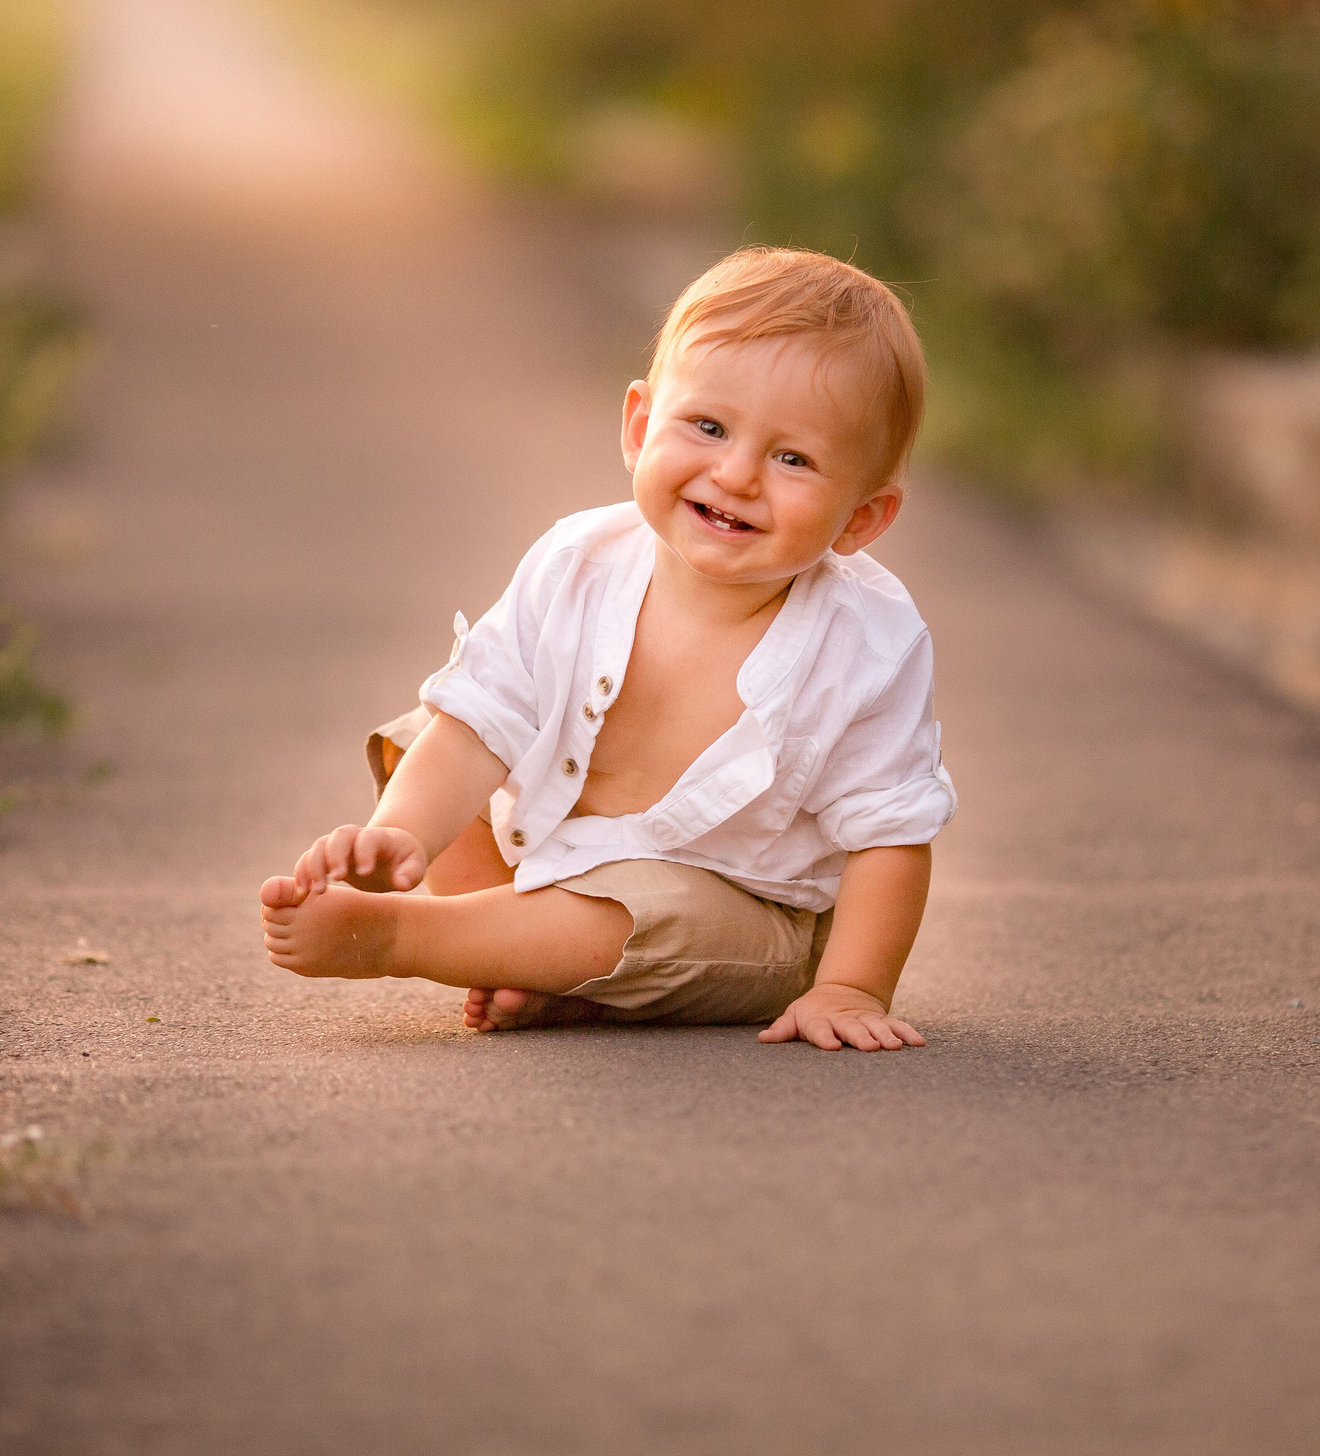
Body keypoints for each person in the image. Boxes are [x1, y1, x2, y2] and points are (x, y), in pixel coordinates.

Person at [258, 247, 956, 1052]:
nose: (735, 474)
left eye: (792, 458)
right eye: (708, 426)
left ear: (863, 518)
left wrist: (850, 984)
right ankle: (505, 949)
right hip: (544, 855)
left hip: (736, 913)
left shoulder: (867, 641)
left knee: (657, 918)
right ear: (639, 426)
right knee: (433, 731)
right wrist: (404, 836)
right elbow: (482, 721)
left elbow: (890, 830)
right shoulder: (576, 561)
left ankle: (412, 938)